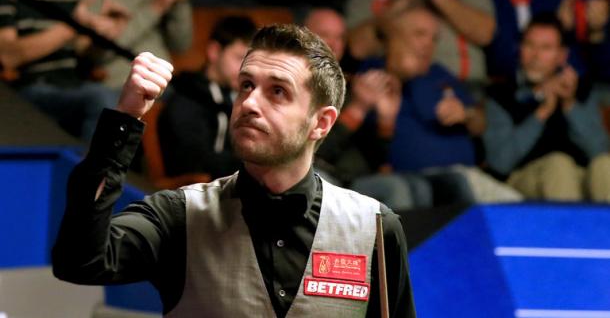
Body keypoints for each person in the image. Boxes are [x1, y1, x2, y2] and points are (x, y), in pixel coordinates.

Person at [52, 25, 417, 317]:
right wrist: (126, 117)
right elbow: (79, 262)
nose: (249, 103)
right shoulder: (179, 215)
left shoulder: (375, 228)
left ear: (321, 123)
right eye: (246, 85)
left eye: (277, 91)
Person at [376, 6, 522, 206]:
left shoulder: (439, 73)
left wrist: (467, 113)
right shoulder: (373, 72)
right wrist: (400, 72)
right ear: (394, 37)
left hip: (467, 176)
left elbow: (480, 124)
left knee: (523, 213)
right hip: (421, 180)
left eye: (434, 38)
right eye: (419, 34)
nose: (428, 43)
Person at [484, 14, 610, 201]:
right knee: (559, 165)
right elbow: (500, 163)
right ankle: (569, 230)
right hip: (526, 178)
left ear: (562, 56)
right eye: (529, 45)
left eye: (546, 48)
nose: (535, 56)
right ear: (520, 49)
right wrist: (542, 112)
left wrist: (569, 105)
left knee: (604, 165)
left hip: (578, 176)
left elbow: (599, 150)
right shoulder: (501, 94)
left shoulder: (579, 91)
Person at [302, 7, 413, 211]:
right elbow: (315, 152)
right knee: (320, 184)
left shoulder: (351, 86)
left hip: (350, 179)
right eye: (325, 35)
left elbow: (377, 161)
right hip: (309, 174)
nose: (334, 45)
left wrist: (386, 121)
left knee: (398, 186)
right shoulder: (293, 83)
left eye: (340, 37)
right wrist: (358, 109)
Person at [0, 0, 124, 140]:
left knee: (125, 99)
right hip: (30, 87)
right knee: (100, 98)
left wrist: (102, 36)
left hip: (72, 83)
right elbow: (8, 56)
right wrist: (72, 27)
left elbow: (81, 49)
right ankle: (91, 166)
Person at [344, 0, 496, 90]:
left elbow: (485, 35)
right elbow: (357, 48)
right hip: (385, 85)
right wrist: (401, 0)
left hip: (462, 87)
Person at [157, 16, 257, 180]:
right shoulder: (188, 97)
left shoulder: (236, 96)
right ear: (214, 52)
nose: (246, 68)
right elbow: (193, 162)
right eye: (239, 58)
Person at [75, 0, 196, 90]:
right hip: (122, 84)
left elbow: (181, 46)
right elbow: (98, 52)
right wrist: (156, 7)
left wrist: (180, 0)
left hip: (166, 82)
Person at [487, 0, 609, 78]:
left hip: (576, 97)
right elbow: (498, 60)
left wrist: (596, 34)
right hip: (514, 94)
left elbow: (603, 73)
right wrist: (558, 27)